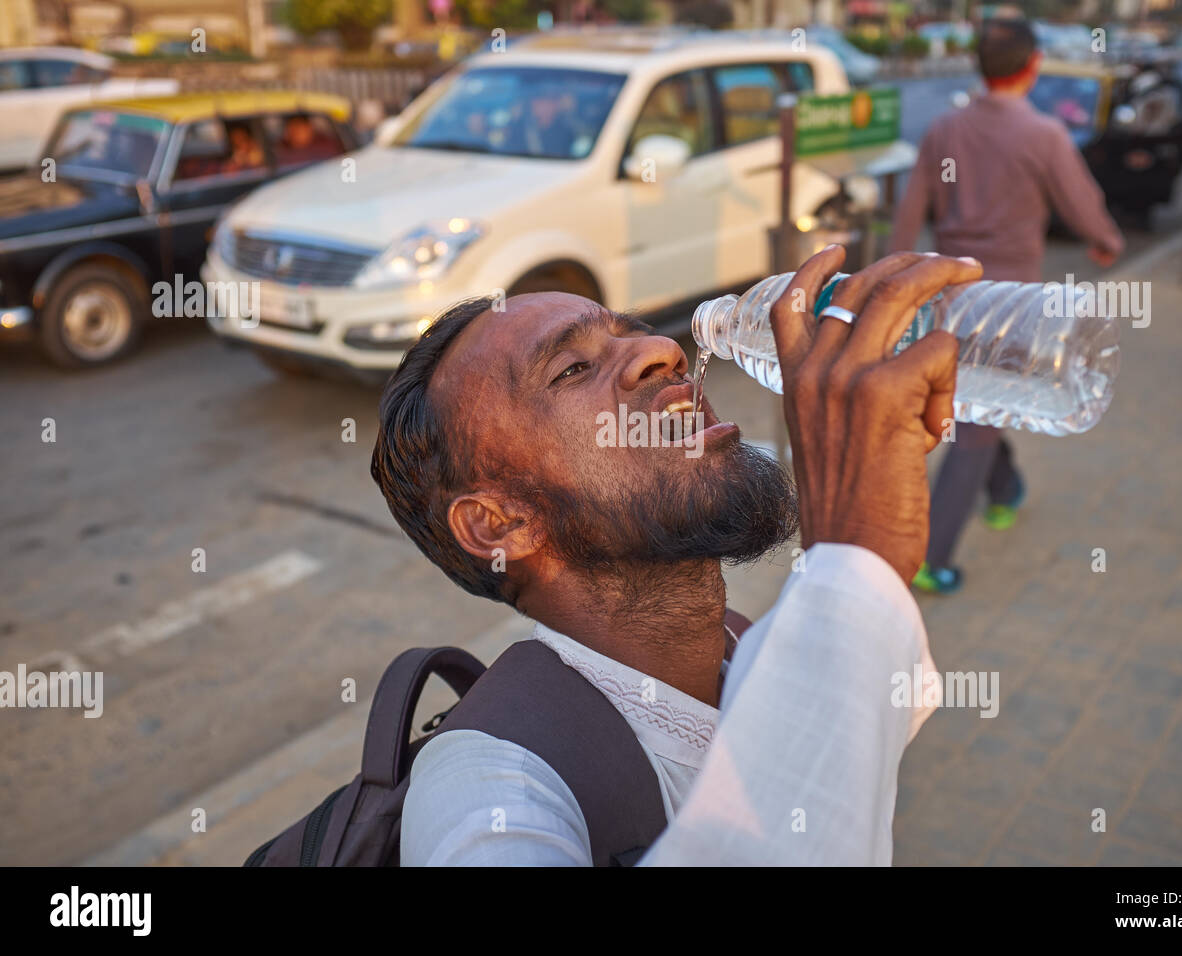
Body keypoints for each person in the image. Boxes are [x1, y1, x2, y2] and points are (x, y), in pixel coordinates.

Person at [373, 247, 980, 865]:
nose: (663, 352)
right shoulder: (484, 785)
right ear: (500, 523)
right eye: (572, 369)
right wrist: (854, 554)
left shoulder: (747, 650)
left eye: (632, 334)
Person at [889, 17, 1124, 595]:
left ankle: (1005, 488)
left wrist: (895, 282)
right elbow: (1082, 202)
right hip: (1016, 308)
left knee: (973, 405)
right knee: (971, 426)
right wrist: (1108, 241)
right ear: (1035, 64)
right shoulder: (1044, 135)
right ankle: (930, 558)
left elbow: (909, 209)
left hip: (949, 297)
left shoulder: (944, 128)